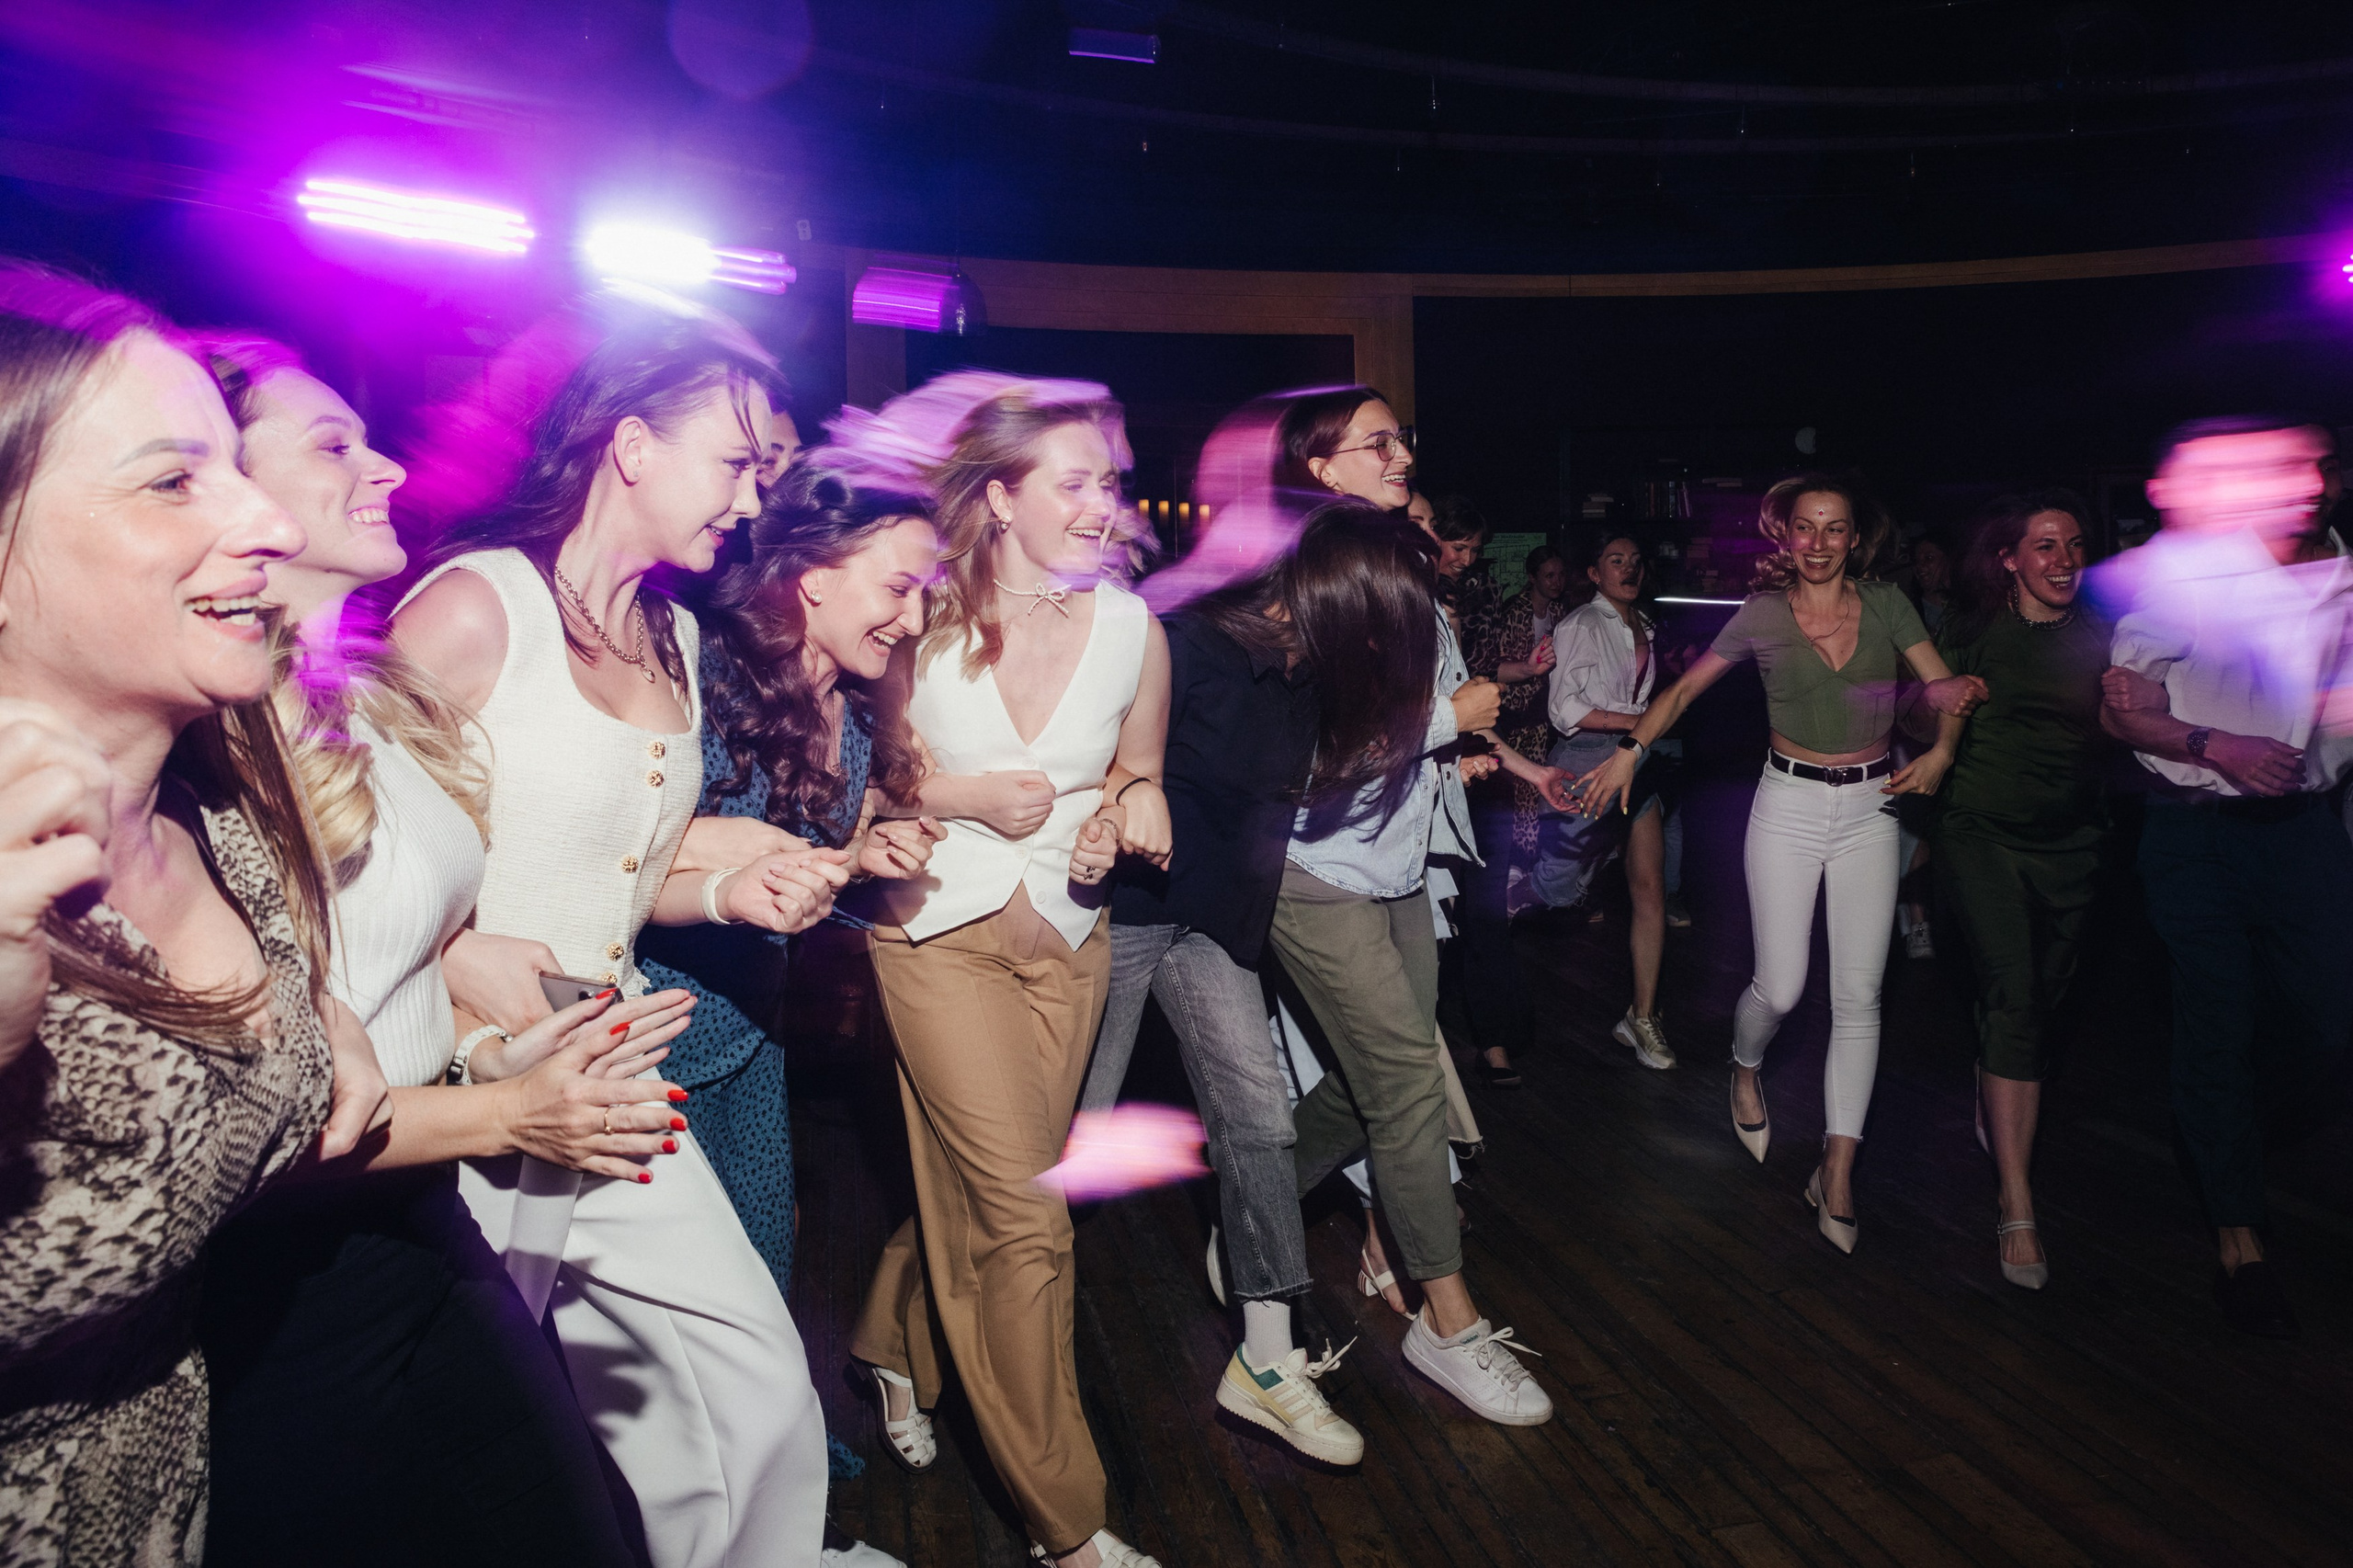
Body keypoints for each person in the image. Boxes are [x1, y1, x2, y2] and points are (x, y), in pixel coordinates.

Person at [190, 335, 700, 1565]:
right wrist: (516, 1109)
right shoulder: (201, 738)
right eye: (331, 445)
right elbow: (271, 1107)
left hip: (416, 1209)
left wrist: (486, 1005)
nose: (388, 470)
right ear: (219, 482)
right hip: (290, 1275)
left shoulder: (355, 696)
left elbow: (402, 948)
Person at [393, 312, 837, 1566]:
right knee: (516, 1439)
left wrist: (725, 895)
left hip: (610, 1078)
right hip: (462, 1090)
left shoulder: (677, 638)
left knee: (739, 1408)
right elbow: (337, 867)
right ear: (632, 444)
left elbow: (616, 879)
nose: (752, 503)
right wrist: (453, 955)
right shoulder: (480, 607)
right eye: (737, 463)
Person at [0, 265, 364, 1566]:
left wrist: (322, 1019)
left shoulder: (212, 801)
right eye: (173, 480)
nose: (268, 518)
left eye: (237, 467)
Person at [838, 372, 1171, 1568]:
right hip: (937, 936)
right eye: (1073, 482)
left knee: (986, 1187)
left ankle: (887, 1335)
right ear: (1001, 496)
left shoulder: (1135, 627)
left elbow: (1140, 770)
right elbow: (848, 780)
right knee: (1032, 1218)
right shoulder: (913, 613)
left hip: (1068, 947)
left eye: (1108, 482)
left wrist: (1128, 817)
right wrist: (965, 793)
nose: (1101, 504)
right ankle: (1066, 1519)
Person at [1083, 505, 1461, 1467]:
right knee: (1057, 1147)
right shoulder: (1185, 647)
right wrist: (1112, 805)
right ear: (1334, 602)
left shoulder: (1314, 678)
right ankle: (924, 1318)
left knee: (1262, 1124)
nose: (1385, 645)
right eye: (1377, 622)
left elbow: (1312, 782)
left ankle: (1265, 1359)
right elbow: (1095, 762)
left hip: (1213, 929)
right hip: (1125, 919)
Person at [634, 454, 945, 1514]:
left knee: (765, 1262)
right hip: (651, 1026)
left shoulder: (855, 718)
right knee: (669, 1305)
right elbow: (622, 853)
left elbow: (799, 856)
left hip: (752, 1029)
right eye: (898, 584)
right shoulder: (700, 675)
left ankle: (774, 1463)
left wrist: (868, 854)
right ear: (813, 574)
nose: (912, 614)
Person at [1576, 473, 1987, 1253]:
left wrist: (1941, 752)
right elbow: (1684, 692)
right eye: (1808, 529)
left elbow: (1947, 690)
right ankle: (1744, 1063)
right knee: (1783, 984)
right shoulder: (1763, 613)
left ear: (1854, 539)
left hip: (1873, 806)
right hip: (1789, 807)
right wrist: (1631, 752)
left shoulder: (1890, 607)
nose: (1822, 544)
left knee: (1861, 995)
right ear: (1786, 537)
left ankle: (1836, 1169)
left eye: (1837, 530)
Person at [2093, 416, 2353, 1339]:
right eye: (2280, 467)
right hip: (2195, 828)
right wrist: (2217, 744)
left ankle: (2223, 1139)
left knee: (2333, 1022)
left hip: (2303, 833)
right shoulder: (2189, 572)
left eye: (2310, 466)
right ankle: (2237, 1238)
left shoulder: (2340, 575)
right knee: (2217, 1024)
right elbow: (2121, 714)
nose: (2301, 482)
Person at [1929, 491, 2109, 1292]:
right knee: (2016, 997)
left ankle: (1994, 1081)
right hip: (1981, 834)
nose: (2063, 559)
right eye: (2044, 546)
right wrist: (1933, 701)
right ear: (2009, 559)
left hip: (2074, 843)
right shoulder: (1971, 633)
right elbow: (1912, 713)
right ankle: (2018, 1203)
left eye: (2073, 545)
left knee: (2044, 996)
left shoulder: (2107, 638)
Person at [1538, 534, 1676, 1071]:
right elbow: (1563, 708)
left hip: (1636, 758)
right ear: (1594, 574)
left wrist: (1642, 735)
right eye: (1616, 561)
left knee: (1650, 890)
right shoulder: (1580, 624)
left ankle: (1642, 1017)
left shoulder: (1644, 624)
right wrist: (1638, 724)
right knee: (1557, 887)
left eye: (1636, 560)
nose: (1629, 568)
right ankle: (1497, 899)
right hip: (1589, 756)